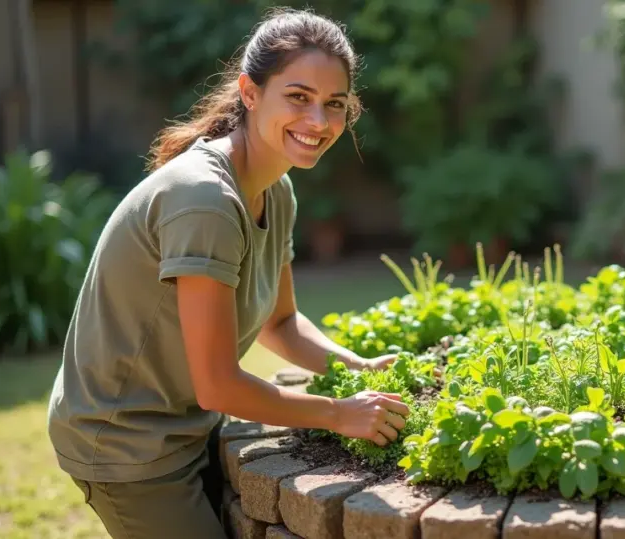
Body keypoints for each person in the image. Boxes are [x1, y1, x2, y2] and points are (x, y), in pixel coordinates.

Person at [46, 8, 409, 538]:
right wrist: (337, 412)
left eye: (335, 104)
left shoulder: (275, 190)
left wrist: (359, 369)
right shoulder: (205, 199)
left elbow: (280, 324)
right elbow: (218, 384)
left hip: (184, 428)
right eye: (299, 97)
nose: (319, 121)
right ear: (250, 92)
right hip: (126, 442)